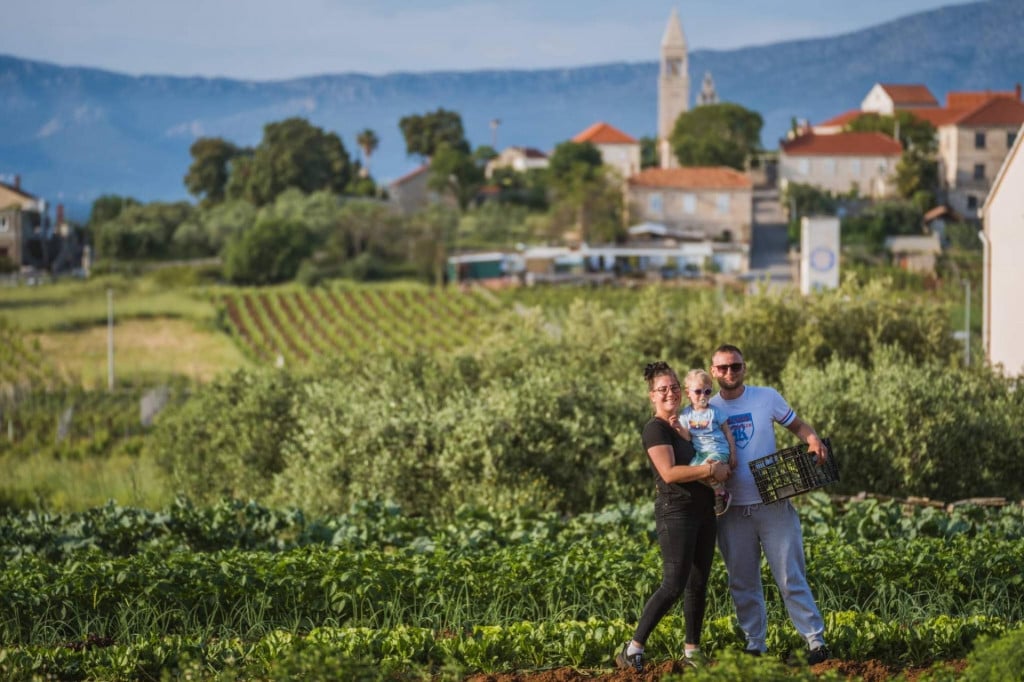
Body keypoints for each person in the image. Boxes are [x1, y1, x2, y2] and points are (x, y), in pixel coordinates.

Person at [707, 344, 831, 664]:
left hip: (773, 502)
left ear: (744, 367)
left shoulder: (766, 397)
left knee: (790, 576)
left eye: (735, 366)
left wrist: (813, 439)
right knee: (742, 581)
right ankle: (755, 645)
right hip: (731, 509)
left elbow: (798, 426)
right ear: (713, 371)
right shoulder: (708, 408)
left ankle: (816, 642)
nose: (729, 373)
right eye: (722, 368)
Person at [615, 361, 731, 673]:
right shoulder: (655, 429)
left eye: (674, 387)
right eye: (663, 389)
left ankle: (692, 651)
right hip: (676, 512)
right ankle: (633, 648)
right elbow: (669, 473)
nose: (670, 392)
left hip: (703, 509)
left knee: (698, 583)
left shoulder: (684, 424)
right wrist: (710, 469)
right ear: (652, 395)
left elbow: (710, 445)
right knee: (673, 583)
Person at [677, 368, 736, 517]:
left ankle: (720, 492)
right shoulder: (685, 415)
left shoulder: (715, 411)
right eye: (698, 392)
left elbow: (728, 432)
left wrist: (733, 453)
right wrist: (676, 427)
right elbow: (687, 437)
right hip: (701, 453)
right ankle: (719, 489)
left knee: (707, 467)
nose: (703, 396)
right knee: (693, 472)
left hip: (718, 450)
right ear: (687, 393)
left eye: (707, 392)